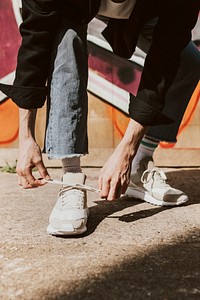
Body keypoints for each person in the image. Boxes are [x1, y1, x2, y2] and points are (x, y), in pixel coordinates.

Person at [0, 0, 199, 235]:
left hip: (145, 9)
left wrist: (128, 150)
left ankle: (140, 166)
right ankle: (71, 179)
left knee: (188, 62)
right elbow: (36, 38)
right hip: (75, 5)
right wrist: (26, 136)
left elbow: (166, 58)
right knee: (67, 40)